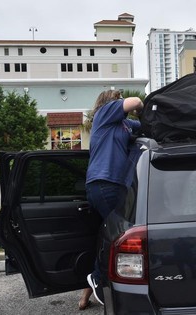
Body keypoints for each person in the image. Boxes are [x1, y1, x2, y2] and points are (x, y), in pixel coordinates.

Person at [83, 90, 143, 306]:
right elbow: (135, 101)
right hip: (104, 183)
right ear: (109, 102)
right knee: (119, 236)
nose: (120, 102)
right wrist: (140, 108)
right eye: (117, 98)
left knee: (108, 235)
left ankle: (89, 289)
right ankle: (97, 278)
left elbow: (147, 128)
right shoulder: (103, 114)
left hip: (114, 186)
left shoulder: (125, 125)